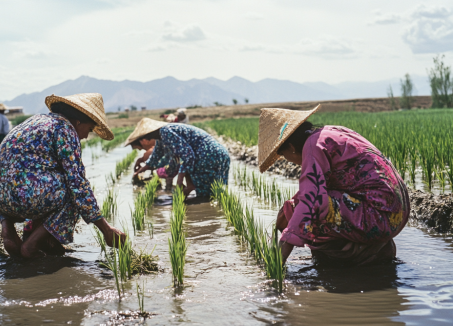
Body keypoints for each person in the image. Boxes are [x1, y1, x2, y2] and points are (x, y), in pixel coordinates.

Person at [258, 106, 410, 266]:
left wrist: (279, 258)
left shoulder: (312, 147)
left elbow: (310, 202)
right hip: (397, 210)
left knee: (309, 211)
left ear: (291, 147)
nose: (286, 159)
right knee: (293, 208)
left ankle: (350, 254)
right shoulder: (329, 133)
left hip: (380, 217)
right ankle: (371, 246)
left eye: (283, 155)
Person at [0, 93, 124, 259]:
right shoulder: (65, 129)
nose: (86, 136)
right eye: (88, 129)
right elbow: (78, 185)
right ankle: (32, 245)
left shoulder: (35, 120)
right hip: (23, 197)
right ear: (78, 121)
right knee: (74, 192)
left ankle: (8, 230)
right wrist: (106, 229)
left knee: (46, 180)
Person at [127, 118, 230, 196]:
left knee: (206, 196)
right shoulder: (161, 136)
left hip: (208, 156)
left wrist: (180, 180)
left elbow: (187, 155)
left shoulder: (166, 132)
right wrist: (140, 171)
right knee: (216, 194)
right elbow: (155, 157)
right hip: (219, 154)